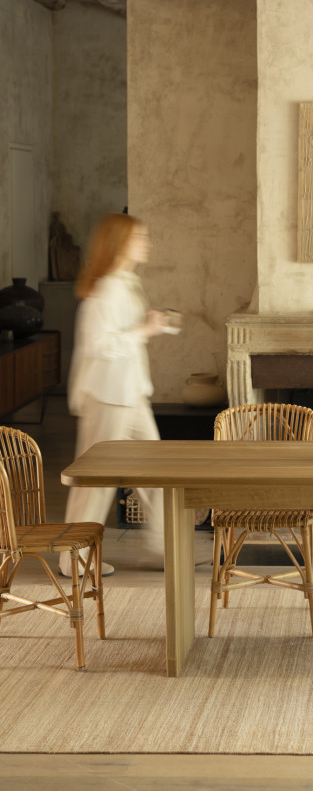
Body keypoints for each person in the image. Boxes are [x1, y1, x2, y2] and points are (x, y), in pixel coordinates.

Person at [59, 213, 176, 577]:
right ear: (119, 244)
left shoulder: (125, 284)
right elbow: (100, 346)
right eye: (140, 238)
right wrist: (143, 328)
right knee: (95, 483)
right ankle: (72, 560)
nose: (147, 243)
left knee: (157, 475)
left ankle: (159, 551)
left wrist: (146, 325)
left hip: (130, 394)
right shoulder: (105, 289)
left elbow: (123, 337)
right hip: (108, 397)